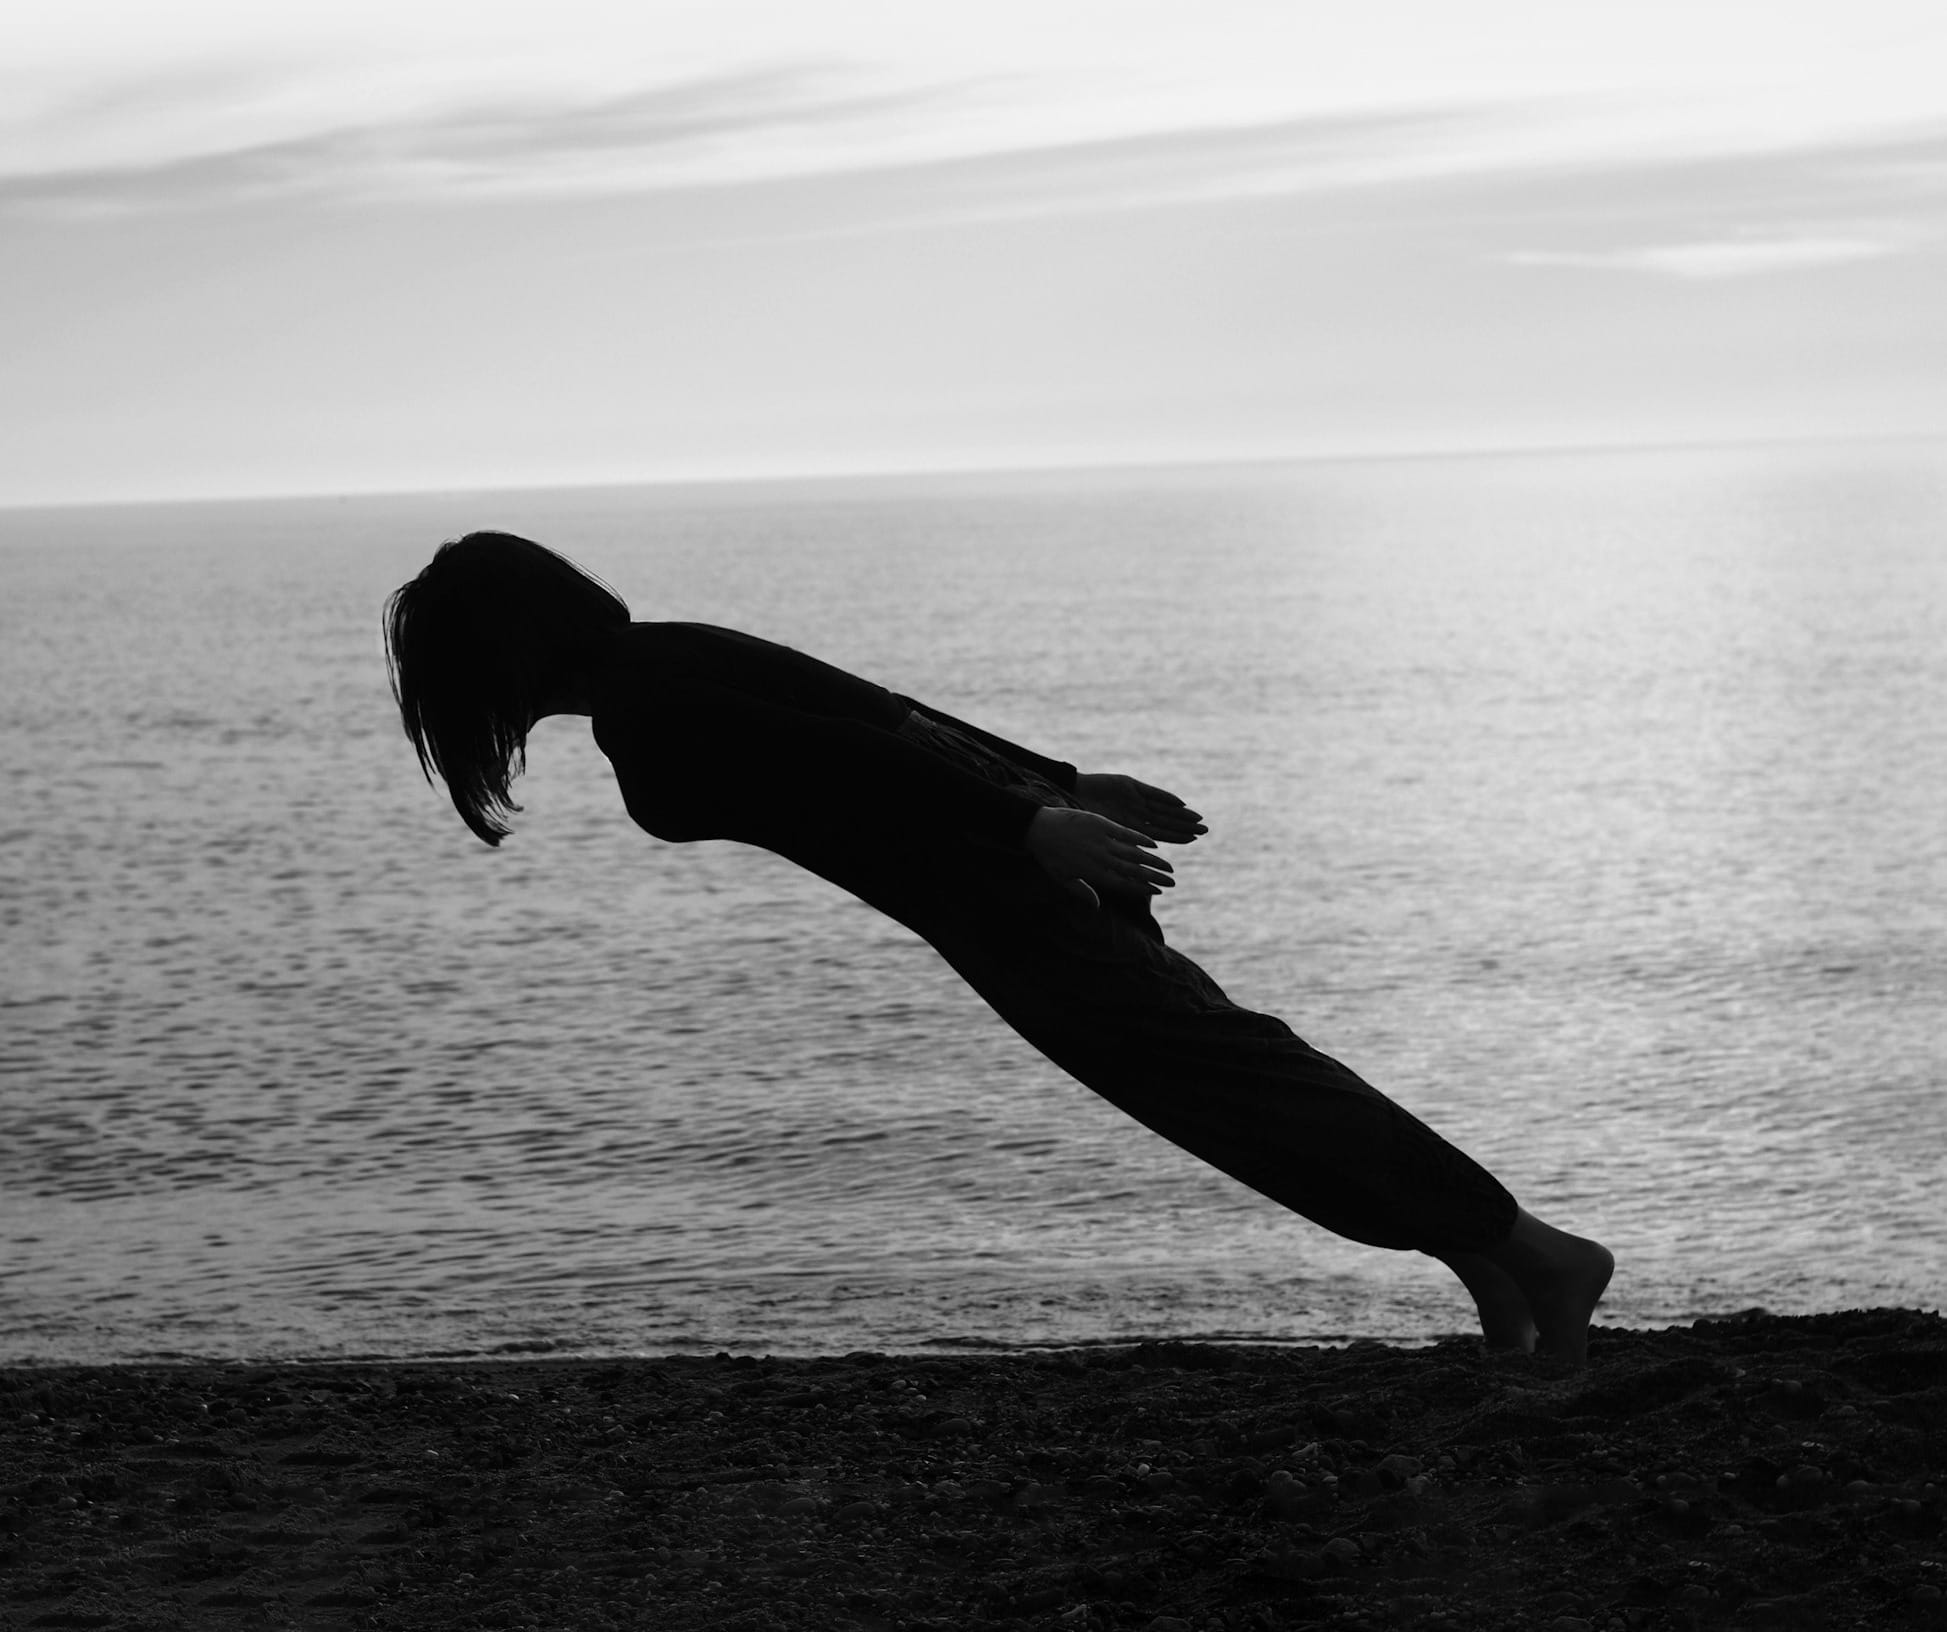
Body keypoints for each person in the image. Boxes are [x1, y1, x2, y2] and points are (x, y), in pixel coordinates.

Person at [385, 531, 1614, 1363]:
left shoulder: (653, 698)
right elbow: (887, 712)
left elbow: (866, 748)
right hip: (1005, 884)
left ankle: (1539, 1257)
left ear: (499, 651)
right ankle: (1494, 1275)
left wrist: (1039, 817)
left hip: (1008, 897)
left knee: (1243, 1090)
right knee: (1238, 1087)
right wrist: (1061, 786)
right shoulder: (664, 659)